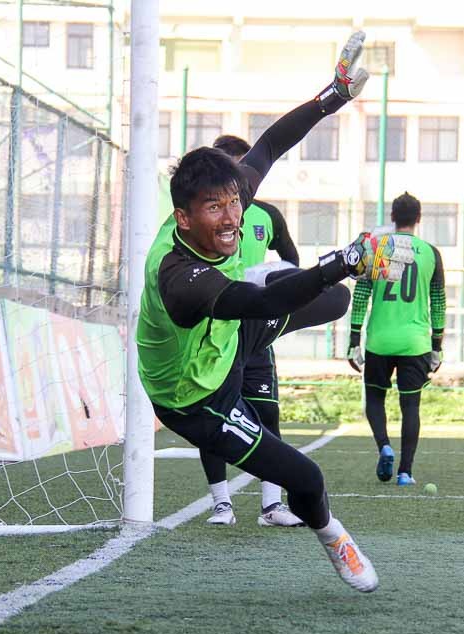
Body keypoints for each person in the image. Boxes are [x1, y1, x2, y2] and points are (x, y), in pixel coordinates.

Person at [137, 31, 414, 592]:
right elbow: (258, 301)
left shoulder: (229, 204)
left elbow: (269, 146)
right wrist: (342, 261)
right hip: (194, 398)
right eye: (214, 206)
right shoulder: (178, 276)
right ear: (184, 219)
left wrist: (330, 98)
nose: (231, 215)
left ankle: (282, 333)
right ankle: (332, 533)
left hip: (232, 333)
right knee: (306, 477)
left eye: (234, 201)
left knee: (333, 300)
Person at [197, 134, 301, 527]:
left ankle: (271, 506)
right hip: (216, 332)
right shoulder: (202, 220)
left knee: (268, 414)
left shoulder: (268, 216)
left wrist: (271, 280)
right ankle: (221, 503)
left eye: (242, 170)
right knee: (214, 416)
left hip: (256, 332)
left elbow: (291, 260)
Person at [347, 192, 445, 485]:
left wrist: (354, 340)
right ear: (418, 219)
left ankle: (384, 446)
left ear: (392, 217)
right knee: (410, 406)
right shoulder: (430, 252)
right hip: (415, 342)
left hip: (379, 340)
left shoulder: (377, 248)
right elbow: (438, 302)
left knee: (375, 399)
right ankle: (405, 472)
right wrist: (437, 345)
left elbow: (361, 295)